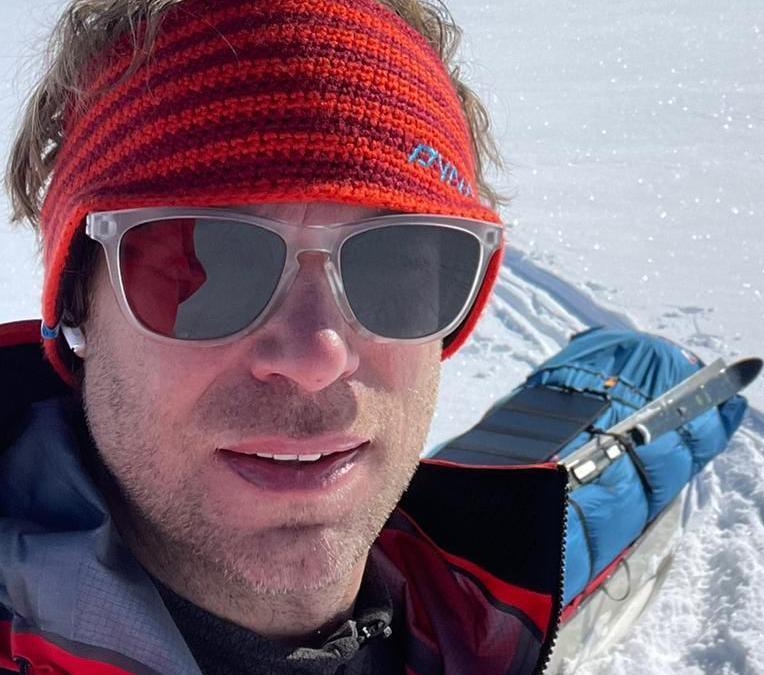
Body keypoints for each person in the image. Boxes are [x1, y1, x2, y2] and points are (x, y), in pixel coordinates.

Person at [0, 1, 567, 673]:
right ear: (77, 310)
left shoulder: (480, 619)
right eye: (201, 266)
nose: (316, 355)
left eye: (394, 262)